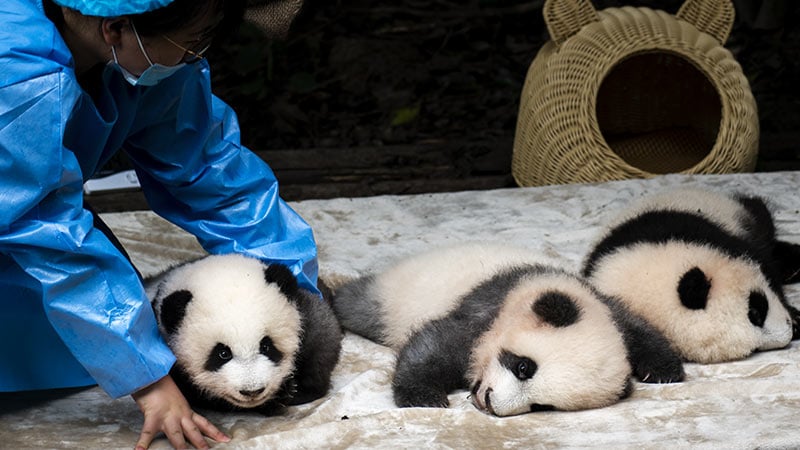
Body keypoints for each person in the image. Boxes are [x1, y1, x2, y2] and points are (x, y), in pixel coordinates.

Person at [0, 0, 320, 449]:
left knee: (96, 332)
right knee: (90, 326)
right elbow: (37, 224)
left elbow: (208, 168)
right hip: (16, 218)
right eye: (191, 44)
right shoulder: (14, 70)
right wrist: (147, 379)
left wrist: (292, 292)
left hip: (23, 215)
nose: (199, 56)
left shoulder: (141, 59)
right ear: (114, 30)